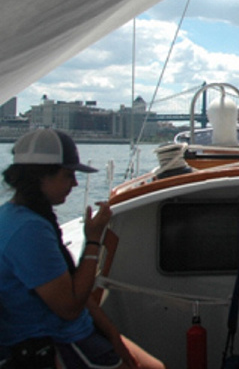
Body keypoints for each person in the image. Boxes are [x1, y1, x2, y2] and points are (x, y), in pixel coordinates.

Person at [0, 128, 164, 369]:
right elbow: (70, 307)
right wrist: (93, 240)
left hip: (75, 333)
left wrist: (112, 335)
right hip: (57, 343)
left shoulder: (18, 216)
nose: (75, 183)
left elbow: (75, 293)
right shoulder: (29, 231)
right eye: (68, 175)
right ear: (40, 177)